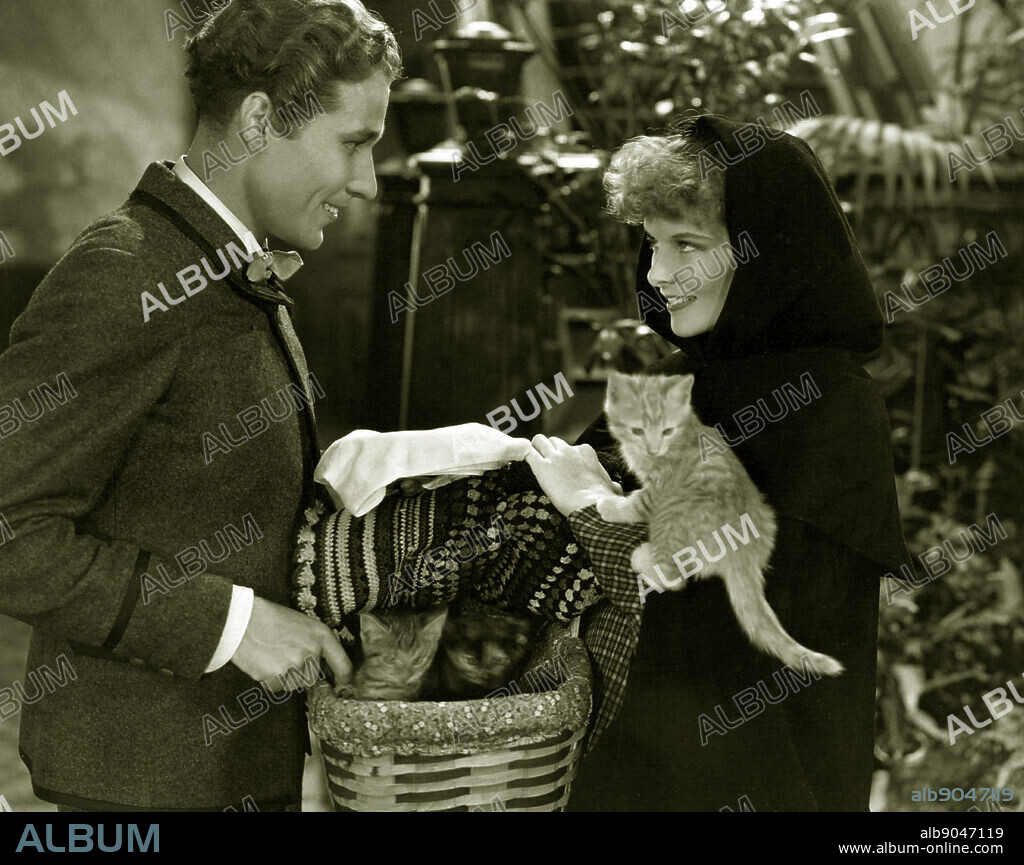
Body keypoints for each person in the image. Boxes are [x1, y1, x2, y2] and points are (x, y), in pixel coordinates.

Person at [0, 0, 399, 811]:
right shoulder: (126, 273)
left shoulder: (221, 267)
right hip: (137, 791)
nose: (366, 182)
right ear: (258, 121)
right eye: (353, 143)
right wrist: (232, 623)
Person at [524, 115, 912, 811]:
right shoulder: (678, 381)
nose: (658, 274)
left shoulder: (831, 410)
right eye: (652, 243)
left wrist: (589, 507)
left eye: (689, 244)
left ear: (773, 256)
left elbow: (726, 634)